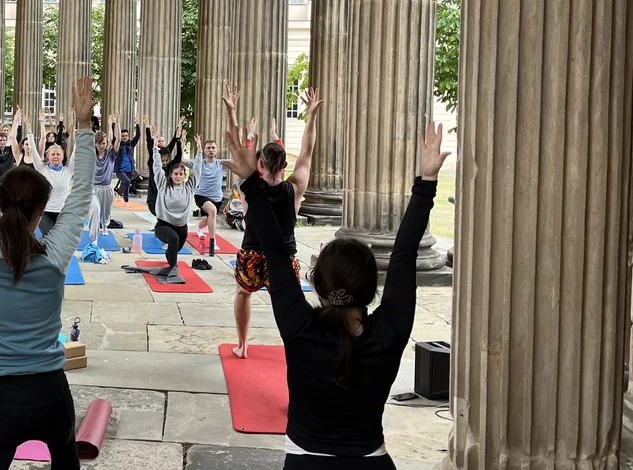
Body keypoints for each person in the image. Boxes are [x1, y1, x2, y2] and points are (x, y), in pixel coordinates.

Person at [221, 112, 449, 470]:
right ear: (372, 289)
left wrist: (251, 180)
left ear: (318, 285)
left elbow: (276, 250)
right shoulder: (388, 333)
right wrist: (427, 181)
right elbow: (404, 255)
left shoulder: (300, 326)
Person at [0, 75, 97, 470]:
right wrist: (84, 127)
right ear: (40, 211)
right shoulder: (54, 255)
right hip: (50, 393)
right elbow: (82, 190)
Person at [231, 86, 323, 359]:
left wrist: (232, 111)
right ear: (284, 165)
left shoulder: (250, 188)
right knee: (287, 304)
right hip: (284, 257)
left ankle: (243, 345)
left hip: (252, 256)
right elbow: (307, 150)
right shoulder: (295, 187)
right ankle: (294, 347)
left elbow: (238, 151)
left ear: (260, 165)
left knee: (242, 293)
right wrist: (311, 117)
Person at [149, 128, 197, 275]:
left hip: (182, 226)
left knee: (176, 246)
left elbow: (198, 171)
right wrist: (154, 147)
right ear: (170, 175)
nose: (178, 176)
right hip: (164, 224)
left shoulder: (189, 187)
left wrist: (199, 152)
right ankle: (173, 269)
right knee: (173, 238)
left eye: (180, 174)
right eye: (175, 174)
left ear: (184, 175)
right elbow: (157, 166)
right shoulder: (163, 185)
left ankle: (170, 258)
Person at [21, 112, 76, 235]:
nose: (55, 156)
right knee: (49, 238)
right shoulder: (42, 169)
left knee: (60, 240)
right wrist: (29, 130)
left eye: (58, 154)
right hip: (45, 211)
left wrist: (81, 127)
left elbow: (76, 150)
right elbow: (34, 152)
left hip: (62, 211)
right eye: (53, 154)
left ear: (63, 156)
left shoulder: (68, 170)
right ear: (48, 156)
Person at [144, 115, 184, 216]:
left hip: (165, 198)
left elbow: (177, 153)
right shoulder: (154, 163)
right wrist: (148, 129)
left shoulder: (170, 165)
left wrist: (178, 137)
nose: (165, 163)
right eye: (163, 161)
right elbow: (150, 145)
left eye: (166, 161)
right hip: (153, 198)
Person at [192, 134, 224, 255]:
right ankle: (213, 241)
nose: (211, 150)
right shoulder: (200, 163)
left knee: (207, 220)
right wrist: (181, 143)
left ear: (217, 150)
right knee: (213, 211)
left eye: (213, 148)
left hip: (217, 198)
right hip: (201, 196)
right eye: (208, 148)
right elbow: (182, 160)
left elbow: (237, 160)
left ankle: (199, 228)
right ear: (204, 150)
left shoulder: (222, 163)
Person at [88, 129, 117, 240]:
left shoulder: (110, 155)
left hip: (107, 187)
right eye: (99, 143)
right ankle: (94, 234)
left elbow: (117, 140)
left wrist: (114, 125)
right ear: (95, 144)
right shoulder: (92, 155)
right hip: (95, 187)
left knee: (106, 209)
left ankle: (105, 225)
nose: (101, 146)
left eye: (104, 143)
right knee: (96, 208)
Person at [112, 114, 141, 205]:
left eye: (126, 135)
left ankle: (118, 194)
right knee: (127, 182)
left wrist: (137, 123)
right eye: (123, 135)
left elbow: (138, 136)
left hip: (130, 169)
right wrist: (113, 123)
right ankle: (126, 201)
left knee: (124, 184)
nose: (125, 137)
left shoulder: (131, 144)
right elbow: (113, 137)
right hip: (120, 169)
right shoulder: (118, 144)